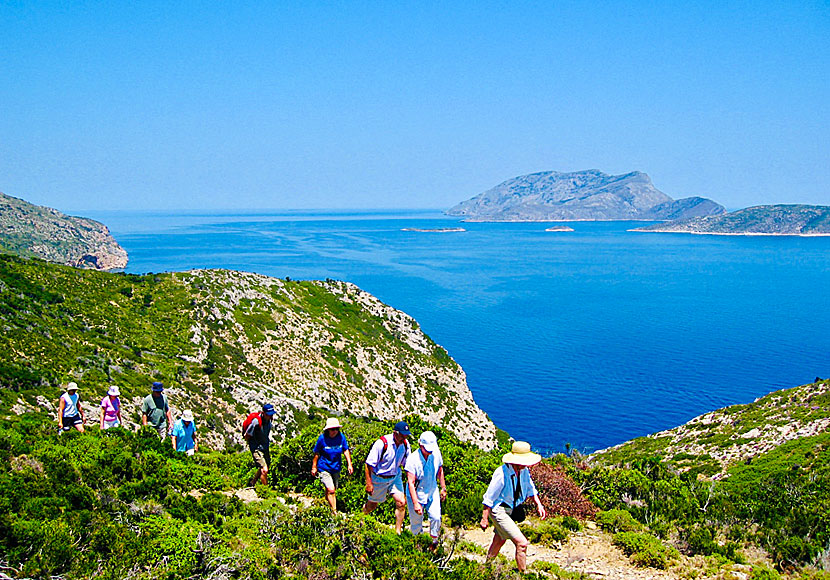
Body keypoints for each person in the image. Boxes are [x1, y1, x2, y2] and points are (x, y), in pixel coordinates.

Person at [480, 441, 547, 573]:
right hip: (500, 510)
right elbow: (489, 497)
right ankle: (523, 574)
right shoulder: (501, 473)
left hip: (511, 509)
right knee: (522, 543)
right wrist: (484, 518)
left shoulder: (524, 471)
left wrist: (538, 504)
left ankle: (485, 568)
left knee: (499, 540)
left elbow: (530, 487)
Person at [362, 420, 411, 534]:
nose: (404, 437)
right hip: (379, 478)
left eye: (406, 435)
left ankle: (397, 532)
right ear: (395, 433)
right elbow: (369, 464)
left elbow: (406, 463)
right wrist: (369, 483)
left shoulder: (405, 444)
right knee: (372, 505)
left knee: (401, 502)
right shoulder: (382, 444)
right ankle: (361, 518)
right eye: (402, 434)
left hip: (395, 476)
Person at [404, 430, 447, 546]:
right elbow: (411, 482)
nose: (429, 452)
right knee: (416, 522)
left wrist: (443, 487)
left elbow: (440, 470)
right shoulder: (413, 460)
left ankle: (433, 542)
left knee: (436, 517)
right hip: (416, 494)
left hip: (432, 491)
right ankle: (417, 545)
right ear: (420, 445)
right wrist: (416, 503)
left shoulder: (435, 453)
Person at [311, 417, 354, 513]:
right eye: (332, 429)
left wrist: (349, 464)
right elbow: (317, 453)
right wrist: (314, 467)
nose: (335, 431)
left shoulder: (341, 437)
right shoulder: (322, 439)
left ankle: (327, 507)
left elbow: (345, 450)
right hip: (324, 467)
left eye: (336, 429)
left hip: (336, 467)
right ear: (328, 430)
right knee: (331, 490)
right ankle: (334, 512)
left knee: (331, 490)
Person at [244, 403, 275, 486]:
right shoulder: (256, 422)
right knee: (264, 470)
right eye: (268, 415)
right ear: (263, 413)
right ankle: (265, 490)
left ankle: (253, 482)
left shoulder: (268, 421)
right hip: (256, 448)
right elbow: (247, 435)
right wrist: (252, 446)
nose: (270, 417)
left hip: (264, 447)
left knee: (266, 465)